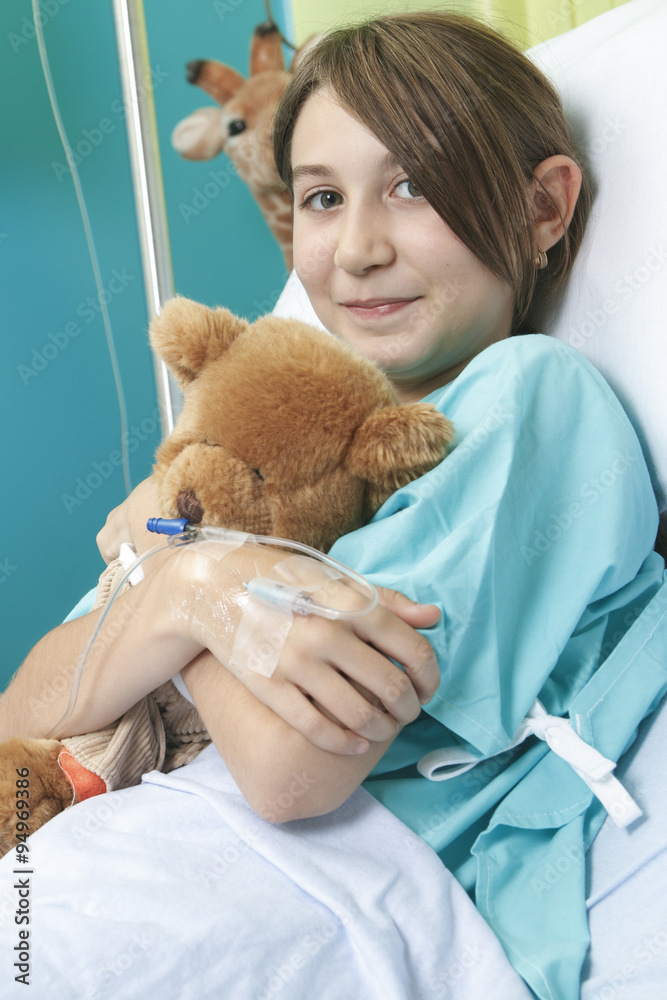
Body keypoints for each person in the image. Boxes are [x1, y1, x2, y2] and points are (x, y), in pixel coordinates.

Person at [2, 11, 666, 999]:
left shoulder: (530, 403)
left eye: (412, 185)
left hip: (336, 885)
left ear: (543, 207)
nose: (354, 250)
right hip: (113, 855)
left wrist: (185, 569)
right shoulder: (267, 435)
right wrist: (200, 590)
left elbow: (289, 770)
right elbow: (30, 703)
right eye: (320, 197)